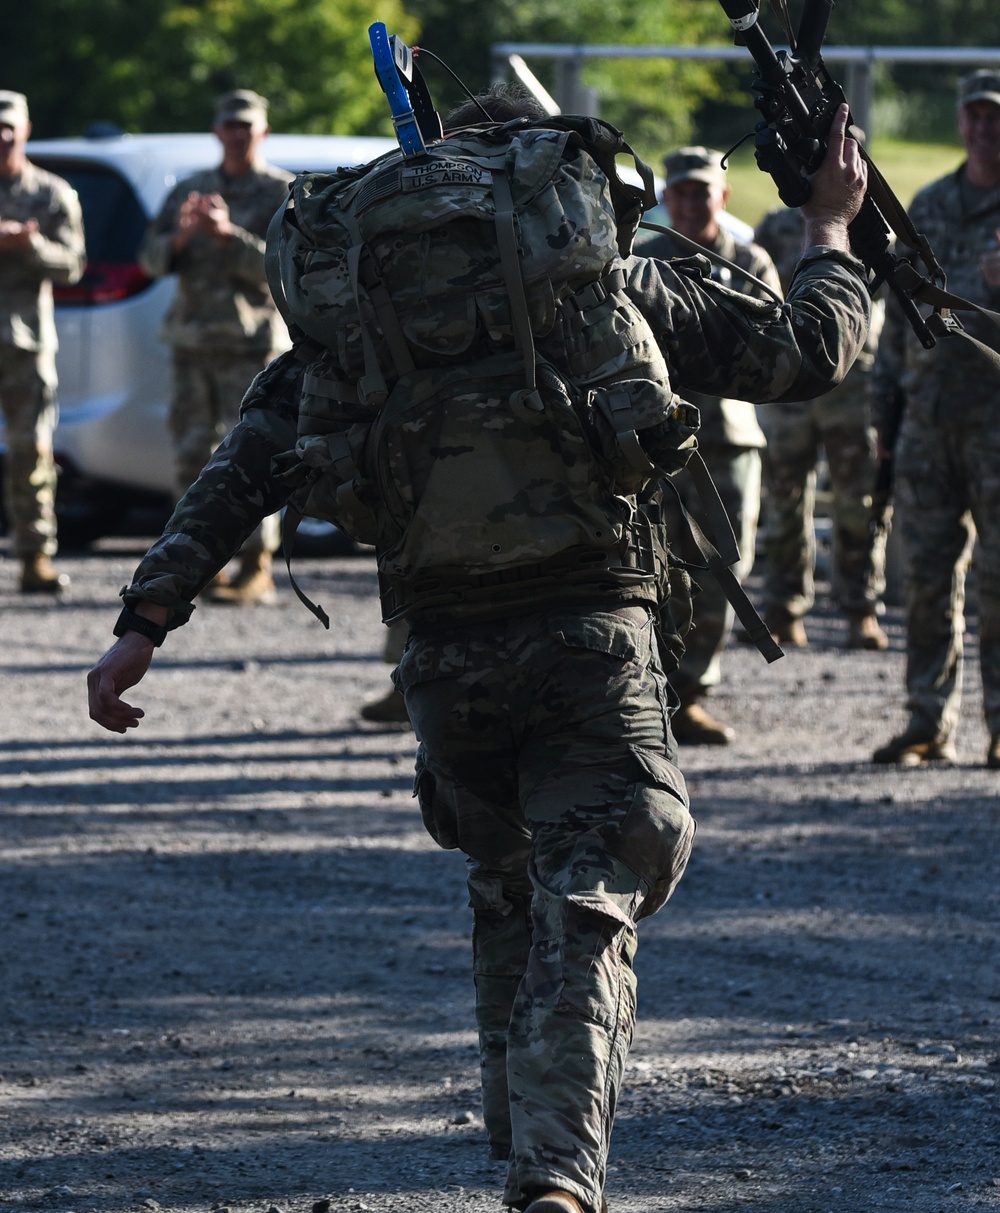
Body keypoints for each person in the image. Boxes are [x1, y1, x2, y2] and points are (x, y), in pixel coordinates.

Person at [88, 100, 870, 1213]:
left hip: (440, 648)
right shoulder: (598, 281)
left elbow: (246, 460)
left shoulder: (364, 305)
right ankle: (554, 1173)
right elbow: (807, 353)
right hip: (588, 632)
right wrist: (830, 226)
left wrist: (142, 623)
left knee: (505, 875)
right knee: (594, 887)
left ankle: (518, 1129)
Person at [872, 69, 1000, 770]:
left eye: (995, 117)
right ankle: (927, 720)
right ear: (960, 123)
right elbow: (897, 325)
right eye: (975, 116)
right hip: (927, 423)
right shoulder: (927, 205)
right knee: (925, 580)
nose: (984, 128)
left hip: (996, 426)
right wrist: (884, 424)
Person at [640, 147, 779, 744]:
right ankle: (649, 693)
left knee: (722, 568)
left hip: (727, 438)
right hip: (657, 444)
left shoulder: (748, 261)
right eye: (682, 193)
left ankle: (692, 694)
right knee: (651, 568)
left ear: (722, 198)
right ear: (666, 199)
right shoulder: (641, 264)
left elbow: (772, 340)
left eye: (703, 192)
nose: (692, 202)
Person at [138, 89, 292, 605]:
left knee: (254, 457)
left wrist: (230, 236)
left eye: (247, 126)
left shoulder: (280, 192)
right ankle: (193, 566)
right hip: (191, 342)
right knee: (190, 454)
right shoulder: (191, 189)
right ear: (217, 130)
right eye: (229, 125)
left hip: (249, 347)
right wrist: (182, 237)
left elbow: (286, 266)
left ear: (263, 132)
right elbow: (150, 260)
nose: (237, 133)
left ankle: (256, 566)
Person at [754, 199, 888, 649]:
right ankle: (784, 606)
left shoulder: (872, 221)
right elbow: (761, 289)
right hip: (790, 381)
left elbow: (887, 285)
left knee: (859, 499)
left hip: (851, 382)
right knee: (784, 496)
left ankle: (860, 607)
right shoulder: (774, 227)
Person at [0, 90, 85, 591]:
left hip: (25, 341)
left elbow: (73, 264)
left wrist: (29, 244)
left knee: (31, 450)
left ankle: (35, 556)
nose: (3, 136)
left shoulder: (52, 194)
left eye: (10, 127)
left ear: (26, 130)